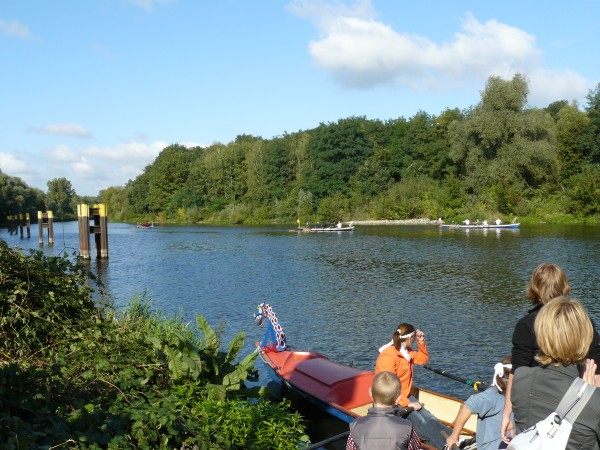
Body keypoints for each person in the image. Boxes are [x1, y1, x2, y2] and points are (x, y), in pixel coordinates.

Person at [500, 263, 600, 443]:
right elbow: (596, 369)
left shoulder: (526, 324)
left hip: (534, 396)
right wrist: (593, 398)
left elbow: (517, 372)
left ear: (534, 288)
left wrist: (507, 414)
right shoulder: (582, 320)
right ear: (565, 286)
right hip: (578, 397)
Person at [375, 323, 451, 449]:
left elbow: (422, 359)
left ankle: (455, 438)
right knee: (420, 421)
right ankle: (444, 446)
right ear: (410, 338)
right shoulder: (389, 356)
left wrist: (421, 342)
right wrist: (406, 403)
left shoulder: (406, 352)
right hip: (390, 399)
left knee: (429, 417)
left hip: (404, 395)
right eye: (415, 338)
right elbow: (386, 387)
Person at [446, 356, 513, 450]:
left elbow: (467, 406)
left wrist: (454, 435)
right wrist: (454, 436)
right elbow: (468, 406)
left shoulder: (490, 395)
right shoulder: (492, 395)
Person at [346, 371, 421, 450]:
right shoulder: (407, 427)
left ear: (370, 392)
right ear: (398, 399)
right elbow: (416, 447)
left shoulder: (356, 426)